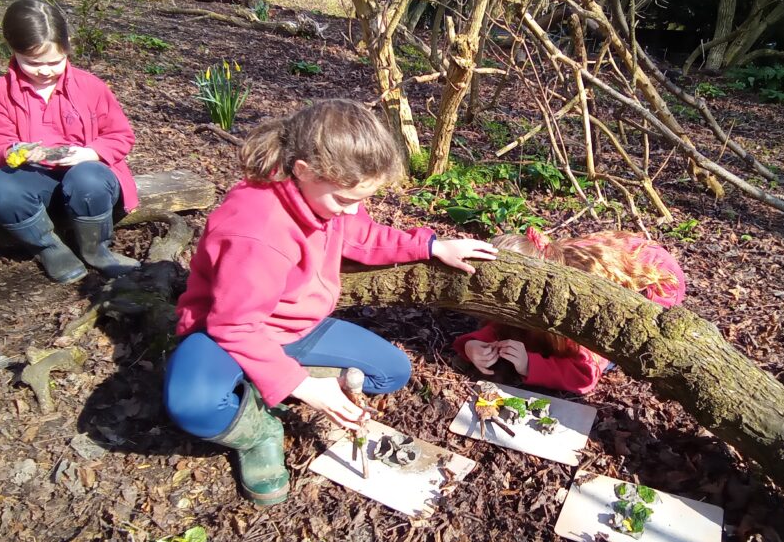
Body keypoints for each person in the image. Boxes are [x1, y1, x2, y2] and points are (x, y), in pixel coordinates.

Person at [164, 100, 497, 505]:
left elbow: (363, 236)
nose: (352, 210)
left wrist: (431, 245)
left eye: (361, 199)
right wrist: (302, 386)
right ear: (303, 170)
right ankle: (257, 432)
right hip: (228, 335)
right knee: (193, 405)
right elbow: (234, 326)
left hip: (297, 328)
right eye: (344, 200)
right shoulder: (258, 230)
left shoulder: (328, 194)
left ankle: (271, 380)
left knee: (390, 372)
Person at [0, 0, 140, 283]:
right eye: (33, 63)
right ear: (12, 50)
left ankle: (96, 249)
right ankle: (49, 248)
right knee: (0, 189)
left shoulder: (90, 86)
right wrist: (17, 151)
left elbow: (120, 135)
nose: (45, 70)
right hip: (35, 180)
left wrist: (90, 153)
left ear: (67, 49)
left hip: (90, 184)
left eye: (55, 61)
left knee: (87, 177)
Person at [454, 227, 686, 395]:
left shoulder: (577, 304)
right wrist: (472, 345)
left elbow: (585, 373)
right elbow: (501, 323)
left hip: (657, 279)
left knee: (624, 344)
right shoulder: (531, 282)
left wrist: (529, 365)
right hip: (615, 254)